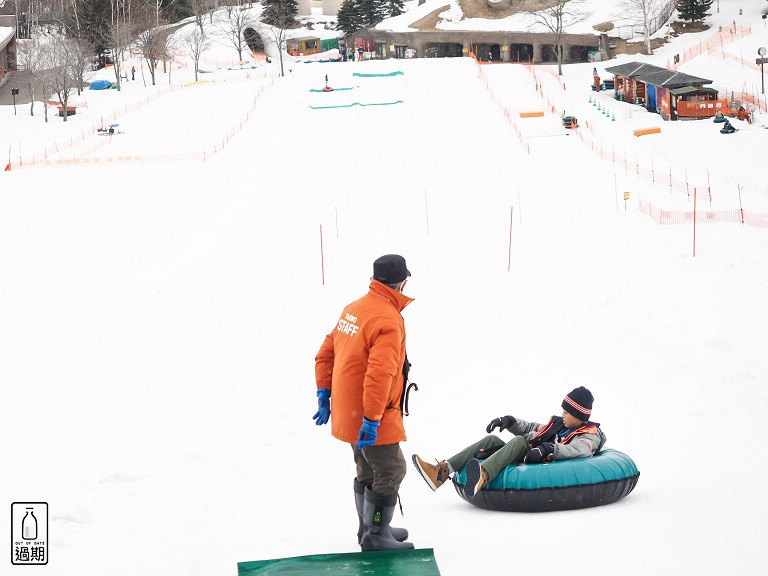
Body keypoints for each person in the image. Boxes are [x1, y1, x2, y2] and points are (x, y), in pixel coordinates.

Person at [314, 254, 415, 551]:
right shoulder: (387, 318)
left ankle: (369, 529)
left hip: (349, 410)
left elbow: (325, 354)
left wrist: (324, 392)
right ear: (402, 282)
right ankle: (377, 533)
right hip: (371, 412)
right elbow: (380, 373)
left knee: (368, 469)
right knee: (391, 470)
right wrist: (372, 419)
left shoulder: (353, 309)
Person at [412, 386, 606, 499]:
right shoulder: (558, 424)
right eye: (563, 411)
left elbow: (579, 450)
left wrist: (549, 448)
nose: (562, 415)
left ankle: (482, 476)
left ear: (580, 415)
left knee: (521, 442)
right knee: (491, 440)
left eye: (567, 412)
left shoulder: (589, 434)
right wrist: (510, 422)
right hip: (530, 453)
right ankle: (441, 471)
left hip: (543, 460)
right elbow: (532, 428)